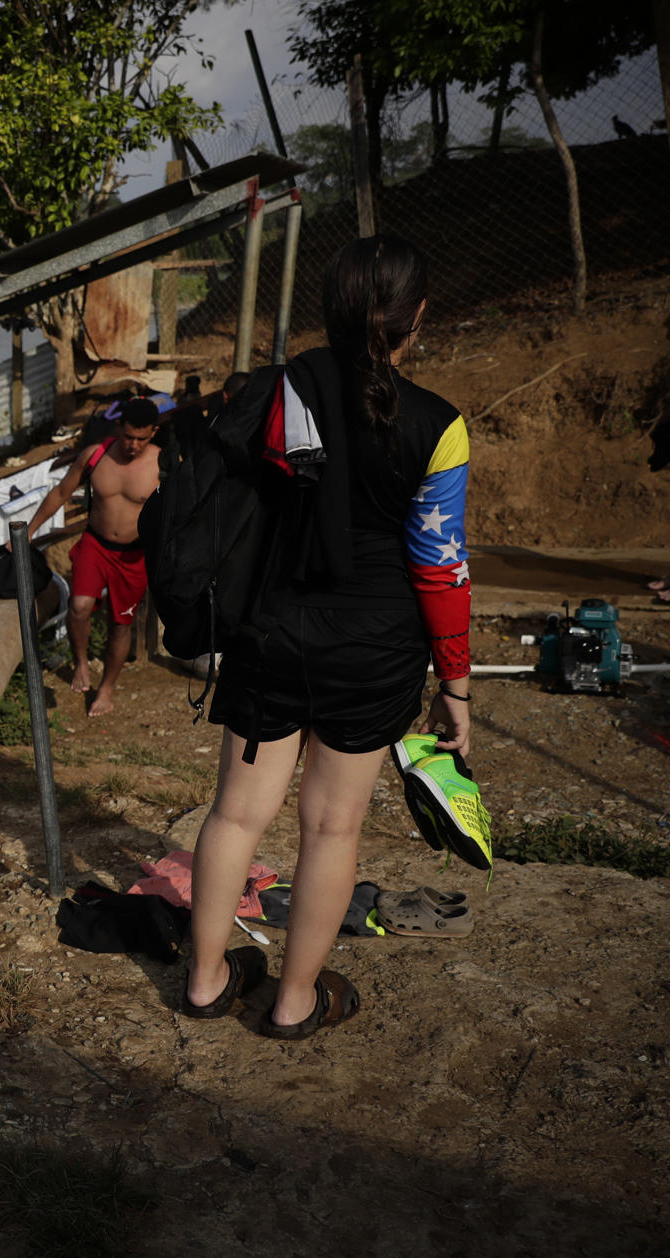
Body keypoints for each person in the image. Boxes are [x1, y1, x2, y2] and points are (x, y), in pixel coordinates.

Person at [182, 234, 473, 1039]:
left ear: (334, 312)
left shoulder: (280, 394)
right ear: (418, 317)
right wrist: (456, 684)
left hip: (271, 631)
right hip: (375, 647)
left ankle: (206, 982)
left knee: (236, 816)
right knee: (332, 827)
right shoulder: (440, 427)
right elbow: (442, 567)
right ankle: (294, 1000)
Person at [25, 396, 163, 716]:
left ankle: (106, 688)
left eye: (141, 438)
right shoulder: (95, 455)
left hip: (134, 555)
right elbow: (60, 493)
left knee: (120, 624)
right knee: (79, 606)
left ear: (153, 433)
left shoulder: (163, 464)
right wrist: (29, 531)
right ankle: (82, 663)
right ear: (118, 427)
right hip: (95, 544)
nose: (132, 445)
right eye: (128, 436)